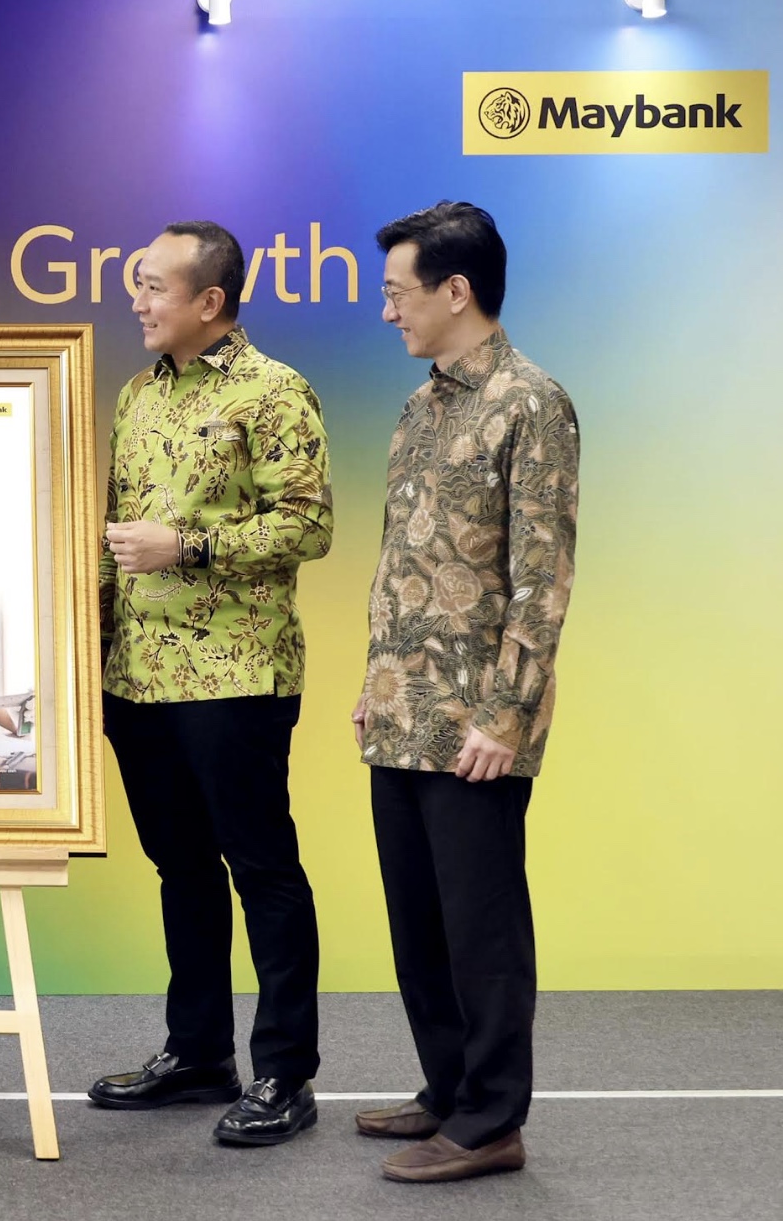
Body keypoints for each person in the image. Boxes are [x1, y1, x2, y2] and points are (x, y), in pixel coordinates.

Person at [89, 221, 333, 1147]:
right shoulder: (137, 394)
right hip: (137, 679)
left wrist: (186, 546)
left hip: (235, 673)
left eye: (154, 287)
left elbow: (307, 526)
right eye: (138, 284)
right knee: (180, 868)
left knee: (261, 869)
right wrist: (88, 647)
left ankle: (286, 1074)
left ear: (210, 301)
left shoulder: (274, 392)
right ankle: (197, 1054)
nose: (138, 302)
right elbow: (114, 536)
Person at [351, 201, 578, 1183]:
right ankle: (447, 1088)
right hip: (401, 708)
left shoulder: (532, 403)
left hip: (477, 724)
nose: (387, 311)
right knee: (420, 922)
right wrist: (375, 678)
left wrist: (505, 713)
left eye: (397, 293)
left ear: (456, 290)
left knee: (482, 929)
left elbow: (542, 576)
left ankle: (490, 1121)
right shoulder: (420, 407)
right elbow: (401, 558)